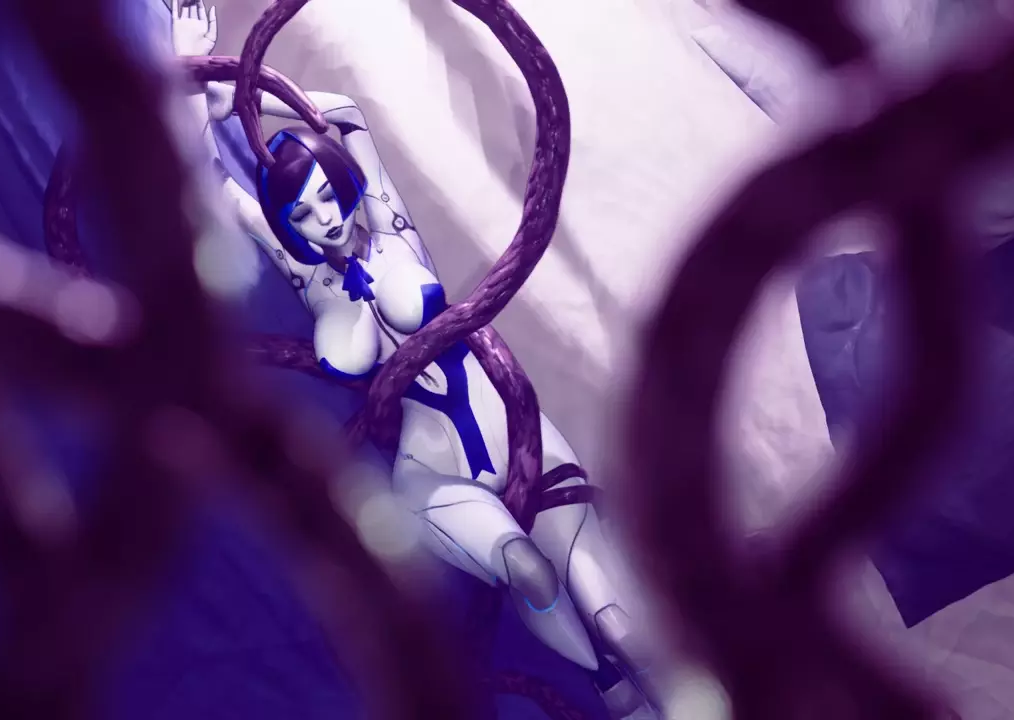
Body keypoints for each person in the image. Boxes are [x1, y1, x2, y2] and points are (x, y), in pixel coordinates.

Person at [172, 4, 659, 717]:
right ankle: (612, 694)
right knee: (528, 572)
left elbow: (346, 115)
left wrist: (248, 93)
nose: (323, 218)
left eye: (326, 197)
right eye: (301, 213)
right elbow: (211, 180)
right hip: (430, 469)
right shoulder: (308, 277)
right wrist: (194, 84)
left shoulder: (388, 221)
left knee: (611, 612)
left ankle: (664, 689)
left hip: (512, 431)